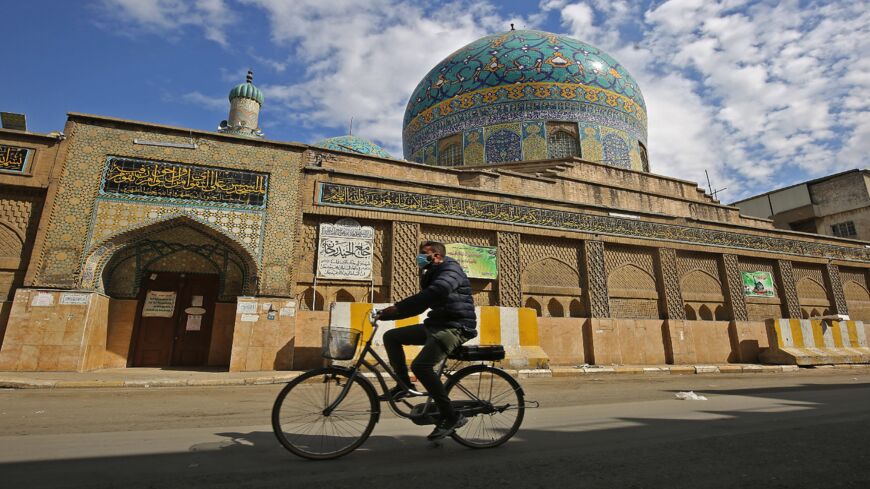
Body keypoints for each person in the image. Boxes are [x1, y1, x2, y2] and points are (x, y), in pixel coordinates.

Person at [375, 240, 477, 440]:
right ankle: (404, 386)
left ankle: (452, 417)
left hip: (456, 326)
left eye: (423, 254)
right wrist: (388, 315)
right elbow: (419, 306)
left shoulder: (451, 270)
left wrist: (396, 307)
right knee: (391, 337)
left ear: (436, 256)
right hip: (436, 324)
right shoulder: (431, 274)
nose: (419, 258)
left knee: (421, 366)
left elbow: (435, 293)